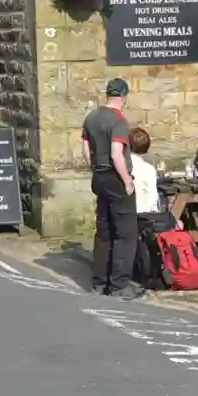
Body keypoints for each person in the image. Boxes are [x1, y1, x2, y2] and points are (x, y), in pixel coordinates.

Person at [81, 77, 141, 300]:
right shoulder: (118, 120)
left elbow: (86, 150)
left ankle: (99, 282)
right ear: (124, 96)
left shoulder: (91, 117)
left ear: (108, 94)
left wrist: (96, 170)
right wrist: (127, 181)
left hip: (99, 176)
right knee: (125, 233)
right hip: (116, 178)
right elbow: (117, 154)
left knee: (104, 231)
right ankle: (119, 285)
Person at [128, 126, 160, 216]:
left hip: (125, 214)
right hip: (145, 215)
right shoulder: (149, 169)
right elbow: (152, 198)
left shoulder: (120, 166)